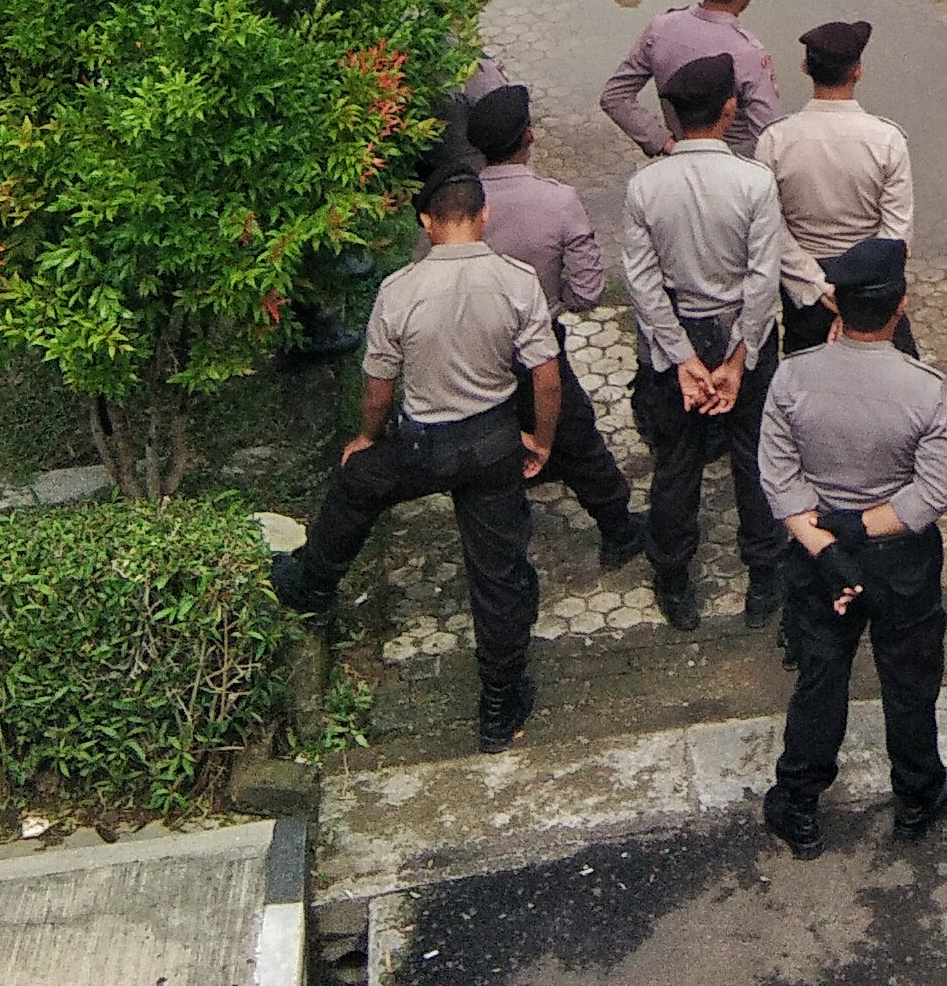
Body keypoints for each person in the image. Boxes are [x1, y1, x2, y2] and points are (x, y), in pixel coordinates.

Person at [267, 169, 562, 749]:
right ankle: (498, 707)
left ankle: (310, 583)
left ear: (426, 223)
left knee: (358, 483)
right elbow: (545, 378)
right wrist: (541, 440)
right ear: (484, 216)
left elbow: (378, 385)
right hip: (493, 442)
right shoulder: (516, 281)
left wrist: (367, 437)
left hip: (424, 445)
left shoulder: (399, 290)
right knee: (498, 574)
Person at [758, 236, 947, 856]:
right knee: (908, 680)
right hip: (901, 562)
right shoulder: (925, 389)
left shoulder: (792, 378)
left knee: (821, 677)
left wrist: (827, 546)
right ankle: (916, 795)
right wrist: (860, 527)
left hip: (821, 557)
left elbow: (778, 476)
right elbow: (930, 495)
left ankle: (798, 804)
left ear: (836, 307)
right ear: (899, 307)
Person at [620, 56, 792, 629]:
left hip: (675, 343)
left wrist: (683, 361)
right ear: (729, 109)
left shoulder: (645, 186)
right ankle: (765, 576)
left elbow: (641, 286)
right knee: (755, 458)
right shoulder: (754, 182)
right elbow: (763, 281)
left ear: (669, 113)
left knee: (676, 463)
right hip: (743, 337)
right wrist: (738, 361)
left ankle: (673, 580)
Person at [455, 85, 648, 566]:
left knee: (494, 424)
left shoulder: (454, 204)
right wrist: (552, 303)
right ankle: (617, 526)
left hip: (472, 347)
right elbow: (587, 293)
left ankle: (528, 473)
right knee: (575, 430)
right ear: (529, 137)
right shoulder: (557, 203)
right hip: (537, 343)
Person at [755, 21, 915, 357]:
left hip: (806, 291)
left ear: (805, 68)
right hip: (874, 288)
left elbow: (771, 228)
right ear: (858, 72)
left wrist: (819, 286)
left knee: (804, 383)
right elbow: (896, 232)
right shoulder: (887, 141)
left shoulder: (774, 141)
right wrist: (857, 297)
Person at [599, 0, 785, 158]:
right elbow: (770, 139)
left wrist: (664, 142)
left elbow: (615, 97)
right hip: (734, 169)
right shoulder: (749, 54)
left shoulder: (661, 28)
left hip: (680, 156)